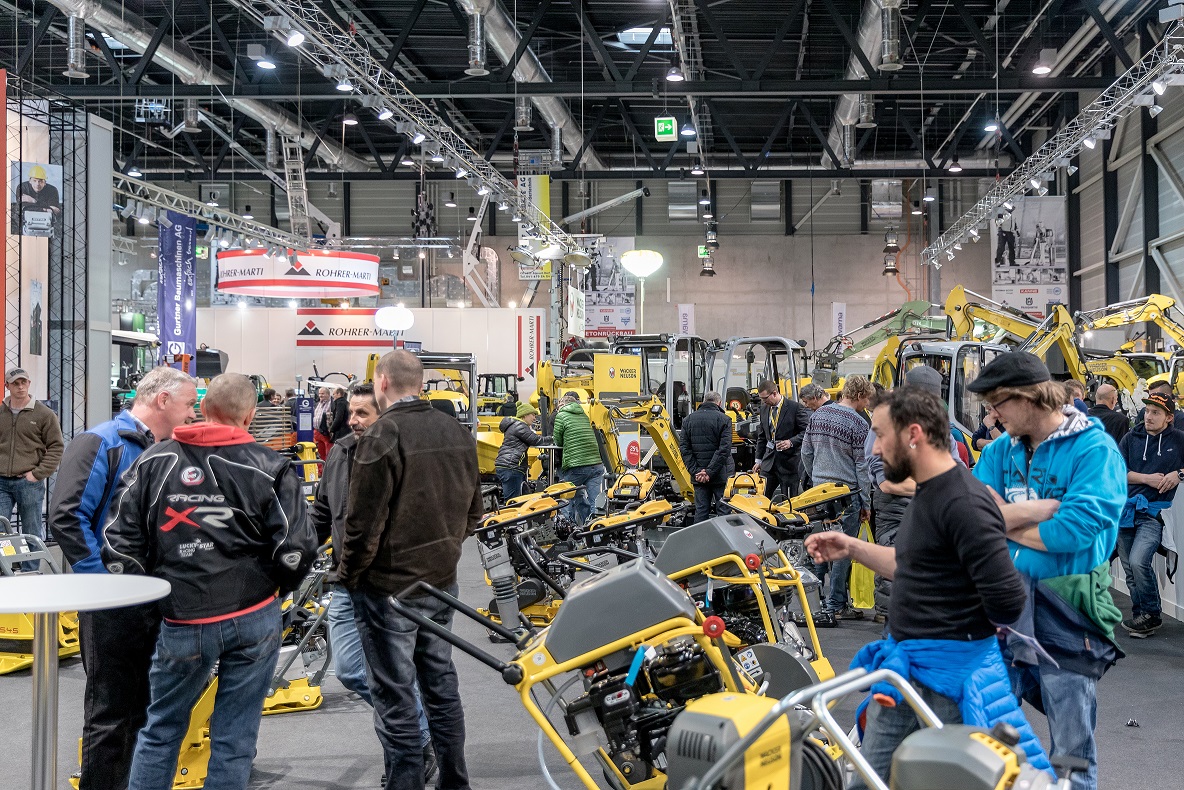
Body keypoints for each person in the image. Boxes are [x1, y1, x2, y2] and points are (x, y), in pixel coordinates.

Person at [805, 386, 1044, 789]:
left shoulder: (963, 502)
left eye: (881, 435)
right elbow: (910, 566)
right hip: (906, 670)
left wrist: (951, 632)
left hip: (947, 679)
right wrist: (852, 547)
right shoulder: (929, 493)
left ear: (913, 434)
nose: (875, 448)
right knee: (868, 779)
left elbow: (1007, 599)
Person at [102, 373, 316, 790]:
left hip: (181, 618)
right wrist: (276, 589)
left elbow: (117, 541)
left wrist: (155, 597)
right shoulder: (270, 466)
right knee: (235, 735)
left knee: (161, 729)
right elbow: (296, 547)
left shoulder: (153, 460)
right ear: (250, 416)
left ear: (202, 408)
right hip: (253, 614)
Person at [970, 352, 1127, 790]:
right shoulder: (1000, 450)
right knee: (986, 742)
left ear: (1029, 397)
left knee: (1071, 752)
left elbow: (1074, 531)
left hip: (1068, 612)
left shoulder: (1094, 450)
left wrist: (1006, 522)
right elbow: (973, 518)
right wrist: (1037, 513)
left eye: (998, 403)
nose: (992, 415)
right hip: (1002, 610)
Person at [339, 350, 483, 790]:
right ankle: (455, 782)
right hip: (441, 584)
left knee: (396, 700)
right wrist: (444, 553)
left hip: (390, 590)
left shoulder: (382, 434)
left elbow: (363, 524)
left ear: (381, 382)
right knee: (441, 688)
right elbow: (474, 513)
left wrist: (349, 576)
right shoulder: (457, 431)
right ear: (420, 383)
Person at [48, 366, 198, 790]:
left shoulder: (171, 451)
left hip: (160, 600)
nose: (193, 413)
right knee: (111, 714)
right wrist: (105, 584)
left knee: (150, 710)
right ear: (163, 400)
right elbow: (66, 517)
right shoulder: (100, 442)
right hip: (112, 603)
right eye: (190, 404)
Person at [311, 383, 436, 779]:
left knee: (390, 673)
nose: (353, 420)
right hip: (346, 581)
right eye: (351, 413)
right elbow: (322, 511)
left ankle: (408, 754)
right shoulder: (340, 452)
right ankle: (418, 735)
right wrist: (294, 551)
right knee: (351, 670)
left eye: (363, 413)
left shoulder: (403, 455)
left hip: (388, 585)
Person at [801, 375, 874, 619]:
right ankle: (836, 604)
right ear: (859, 395)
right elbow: (862, 466)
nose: (867, 404)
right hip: (846, 493)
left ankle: (815, 602)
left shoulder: (818, 415)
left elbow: (806, 453)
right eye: (866, 399)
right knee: (843, 548)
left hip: (819, 493)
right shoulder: (859, 423)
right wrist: (866, 501)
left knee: (820, 543)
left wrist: (816, 478)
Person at [1115, 391, 1184, 638]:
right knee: (1130, 569)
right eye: (1147, 411)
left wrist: (1179, 474)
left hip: (1154, 514)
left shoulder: (1179, 439)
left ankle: (1152, 614)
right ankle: (1141, 616)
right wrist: (1146, 479)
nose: (1148, 416)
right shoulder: (1130, 438)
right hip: (1126, 511)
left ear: (1169, 417)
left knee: (1138, 561)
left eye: (1156, 412)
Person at [0, 368, 63, 556]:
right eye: (15, 383)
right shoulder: (1, 412)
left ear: (28, 383)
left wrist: (38, 474)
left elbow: (56, 446)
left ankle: (31, 570)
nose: (20, 387)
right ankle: (6, 567)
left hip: (28, 483)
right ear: (7, 386)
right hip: (1, 482)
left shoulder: (44, 414)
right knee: (1, 532)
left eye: (23, 382)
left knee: (32, 532)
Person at [863, 412, 913, 626]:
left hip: (915, 505)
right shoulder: (884, 430)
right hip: (894, 506)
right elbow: (887, 484)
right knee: (892, 561)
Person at [678, 391, 734, 522]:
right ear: (719, 403)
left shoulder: (688, 420)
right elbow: (724, 449)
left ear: (703, 401)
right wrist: (709, 472)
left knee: (701, 510)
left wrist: (696, 472)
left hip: (699, 477)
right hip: (721, 474)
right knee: (723, 510)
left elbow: (685, 449)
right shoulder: (724, 420)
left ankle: (700, 536)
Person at [552, 392, 605, 525]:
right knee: (595, 501)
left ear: (562, 404)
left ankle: (568, 527)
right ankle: (596, 528)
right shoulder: (584, 415)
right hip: (596, 463)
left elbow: (558, 441)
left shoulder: (561, 415)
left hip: (577, 465)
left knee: (566, 496)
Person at [752, 380, 809, 500]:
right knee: (761, 498)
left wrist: (791, 442)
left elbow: (806, 432)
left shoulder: (795, 408)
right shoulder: (764, 409)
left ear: (774, 393)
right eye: (761, 399)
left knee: (788, 502)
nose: (763, 401)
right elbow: (762, 437)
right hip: (769, 463)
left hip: (789, 464)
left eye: (765, 398)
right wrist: (758, 460)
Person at [495, 401, 545, 501]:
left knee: (514, 498)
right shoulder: (520, 426)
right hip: (512, 467)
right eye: (533, 415)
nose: (534, 418)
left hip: (507, 465)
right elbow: (536, 440)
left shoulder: (515, 425)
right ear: (525, 415)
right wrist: (552, 439)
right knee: (513, 501)